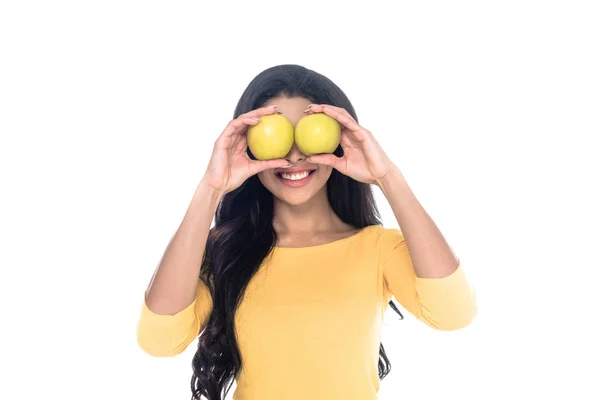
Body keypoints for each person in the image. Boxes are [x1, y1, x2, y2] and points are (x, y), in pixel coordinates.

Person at [136, 64, 477, 400]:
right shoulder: (226, 251)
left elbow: (453, 314)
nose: (295, 156)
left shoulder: (378, 248)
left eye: (308, 135)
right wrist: (211, 188)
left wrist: (387, 177)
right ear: (249, 143)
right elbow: (160, 340)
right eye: (277, 136)